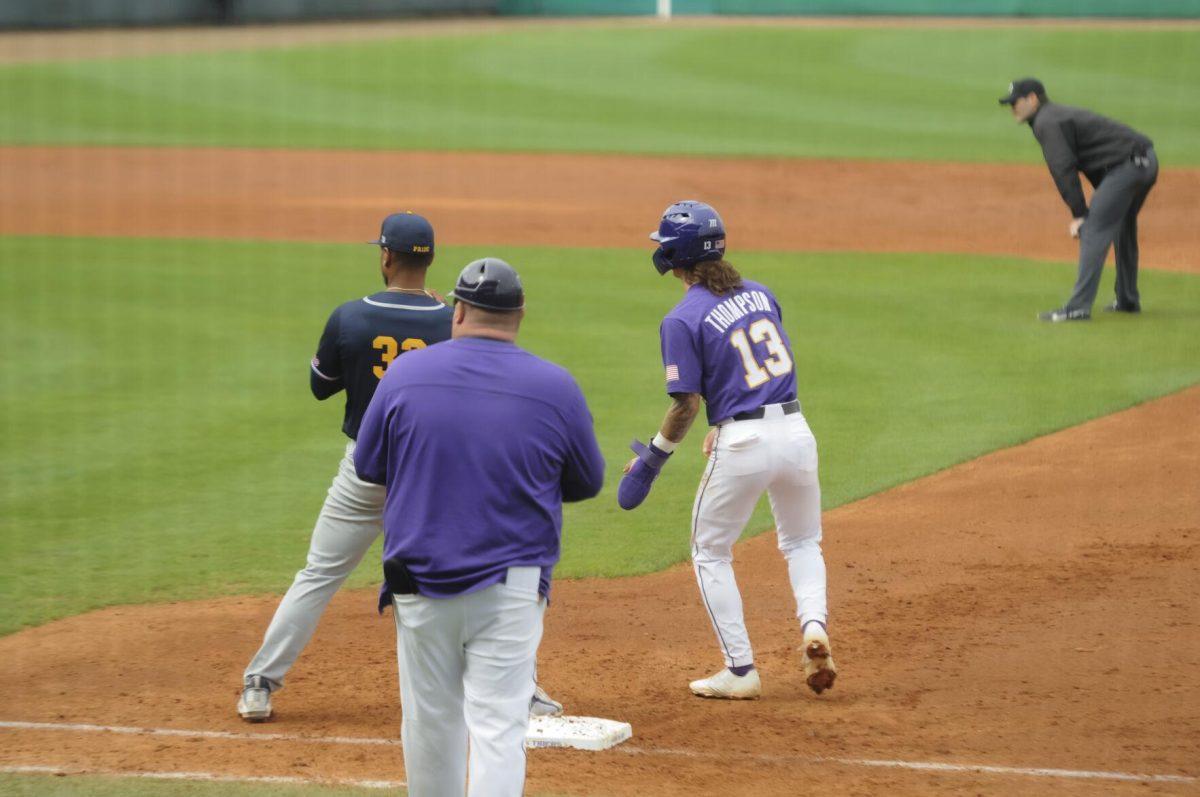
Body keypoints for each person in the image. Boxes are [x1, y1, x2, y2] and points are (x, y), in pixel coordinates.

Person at [236, 214, 563, 722]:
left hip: (365, 471)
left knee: (319, 574)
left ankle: (260, 683)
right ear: (429, 258)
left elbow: (320, 386)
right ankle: (524, 690)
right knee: (486, 574)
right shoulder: (453, 321)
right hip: (438, 476)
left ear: (385, 256)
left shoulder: (349, 316)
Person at [354, 258, 604, 797]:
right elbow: (586, 482)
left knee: (431, 726)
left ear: (458, 310)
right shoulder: (556, 386)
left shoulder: (404, 374)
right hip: (511, 587)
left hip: (418, 581)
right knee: (497, 729)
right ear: (519, 315)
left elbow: (368, 466)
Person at [617, 200, 836, 701]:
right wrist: (727, 417)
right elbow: (758, 371)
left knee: (709, 550)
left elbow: (685, 404)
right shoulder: (761, 294)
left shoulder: (681, 317)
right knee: (803, 542)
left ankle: (740, 669)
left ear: (674, 255)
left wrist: (653, 458)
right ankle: (813, 628)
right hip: (797, 431)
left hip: (745, 444)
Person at [999, 77, 1158, 322]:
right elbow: (1096, 159)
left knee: (1093, 228)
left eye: (1015, 102)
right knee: (1121, 223)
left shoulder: (1046, 122)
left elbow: (1063, 169)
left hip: (1128, 166)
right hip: (1144, 162)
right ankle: (1127, 300)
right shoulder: (1053, 116)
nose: (1012, 108)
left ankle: (1077, 307)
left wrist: (1080, 213)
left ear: (1032, 99)